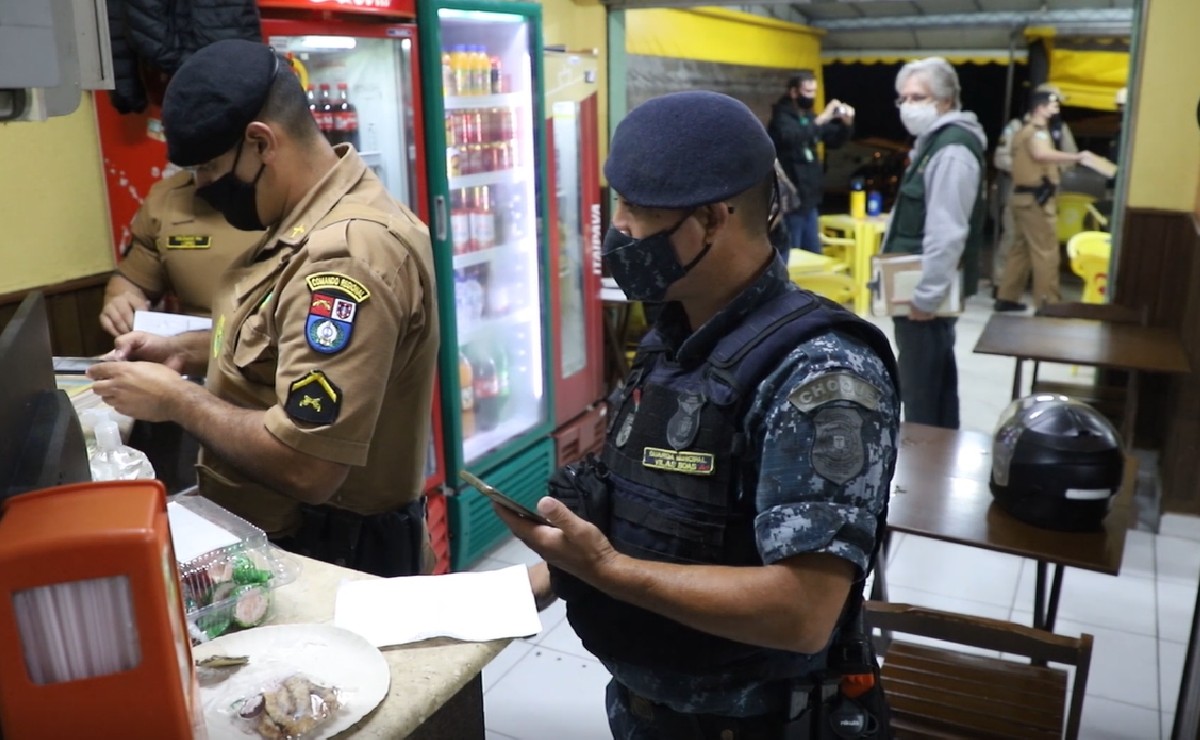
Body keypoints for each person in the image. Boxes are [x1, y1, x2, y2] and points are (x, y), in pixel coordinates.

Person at [501, 91, 900, 739]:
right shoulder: (676, 338)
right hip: (645, 713)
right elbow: (653, 517)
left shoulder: (820, 373)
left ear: (713, 220)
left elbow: (804, 612)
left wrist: (607, 571)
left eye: (637, 209)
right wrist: (545, 575)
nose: (618, 228)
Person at [87, 39, 440, 578]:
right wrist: (182, 351)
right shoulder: (305, 217)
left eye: (209, 167)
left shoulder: (347, 255)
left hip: (334, 555)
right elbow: (278, 336)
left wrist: (177, 400)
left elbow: (308, 466)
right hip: (296, 540)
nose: (202, 187)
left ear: (260, 142)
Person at [879, 57, 986, 430]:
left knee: (922, 393)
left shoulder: (951, 150)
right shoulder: (932, 144)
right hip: (913, 288)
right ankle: (939, 455)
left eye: (917, 97)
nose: (908, 106)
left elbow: (948, 230)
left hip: (922, 294)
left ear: (945, 100)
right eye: (903, 98)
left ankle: (926, 461)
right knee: (932, 385)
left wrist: (926, 296)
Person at [99, 170, 262, 336]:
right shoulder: (166, 199)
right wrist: (121, 305)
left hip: (265, 344)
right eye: (199, 166)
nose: (202, 178)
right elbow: (133, 280)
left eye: (212, 165)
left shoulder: (275, 194)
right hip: (189, 341)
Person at [995, 89, 1098, 312]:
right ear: (1040, 108)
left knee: (1020, 248)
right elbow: (1041, 154)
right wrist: (1076, 157)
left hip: (1024, 197)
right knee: (1046, 252)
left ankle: (1007, 297)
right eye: (1053, 104)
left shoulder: (1027, 130)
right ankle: (1048, 302)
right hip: (1036, 200)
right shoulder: (1037, 131)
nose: (1057, 108)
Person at [991, 83, 1077, 278]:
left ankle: (1032, 281)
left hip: (1047, 193)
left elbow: (1070, 157)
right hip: (1020, 190)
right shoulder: (1017, 126)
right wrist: (1027, 168)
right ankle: (1001, 280)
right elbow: (1000, 158)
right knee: (1013, 237)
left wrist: (1051, 169)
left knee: (1043, 241)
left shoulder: (1059, 129)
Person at [767, 70, 855, 254]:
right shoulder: (781, 118)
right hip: (790, 203)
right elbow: (792, 137)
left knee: (814, 252)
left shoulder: (809, 117)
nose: (811, 96)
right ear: (794, 92)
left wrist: (846, 124)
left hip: (810, 200)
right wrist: (822, 118)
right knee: (793, 254)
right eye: (807, 91)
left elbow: (834, 140)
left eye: (814, 91)